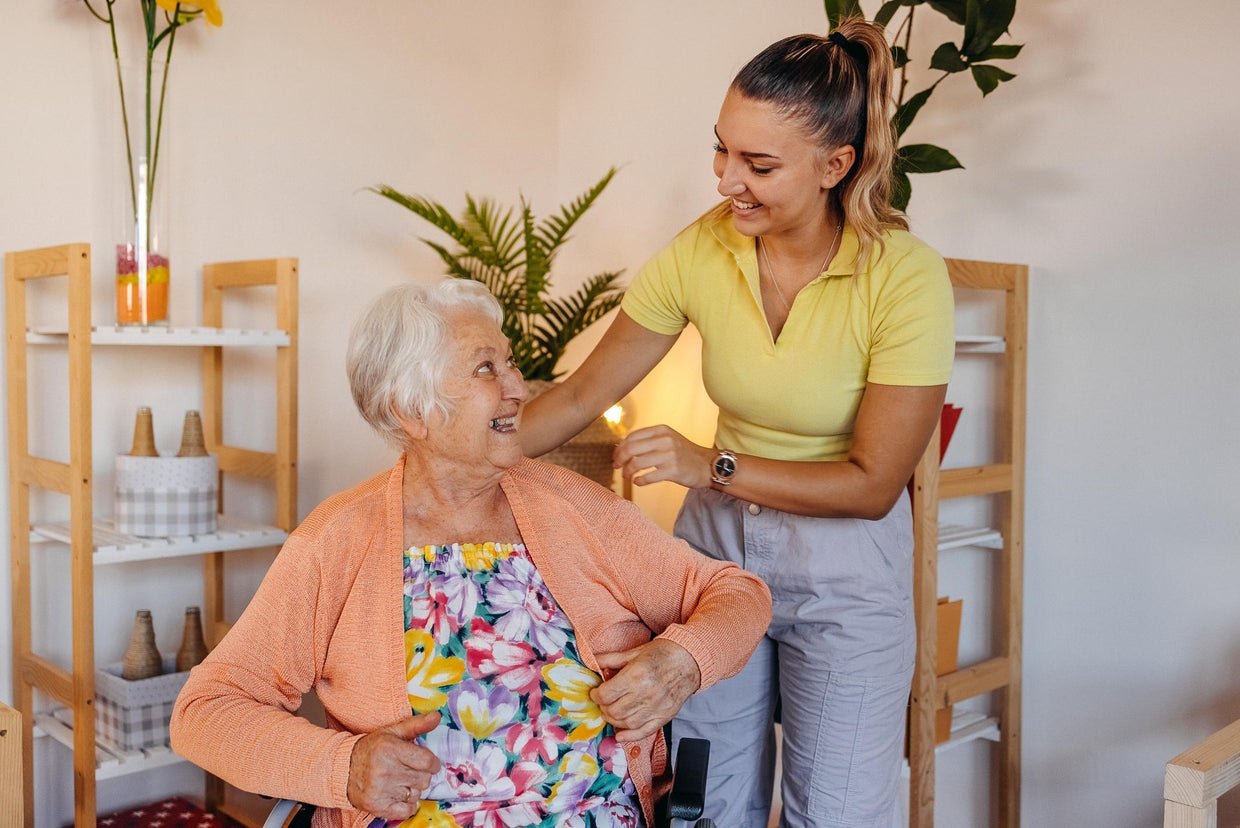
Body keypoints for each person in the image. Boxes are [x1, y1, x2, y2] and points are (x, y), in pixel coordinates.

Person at [520, 20, 955, 828]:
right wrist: (461, 456)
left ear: (835, 166)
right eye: (721, 151)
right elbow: (579, 396)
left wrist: (710, 465)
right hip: (713, 560)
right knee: (706, 807)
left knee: (837, 816)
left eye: (759, 164)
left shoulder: (905, 277)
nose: (727, 181)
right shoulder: (703, 250)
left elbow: (874, 485)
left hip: (845, 568)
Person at [170, 279, 772, 828]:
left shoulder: (574, 508)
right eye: (487, 369)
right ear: (413, 411)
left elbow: (738, 593)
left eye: (509, 363)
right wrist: (343, 766)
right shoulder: (338, 540)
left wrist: (683, 659)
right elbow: (204, 710)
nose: (518, 389)